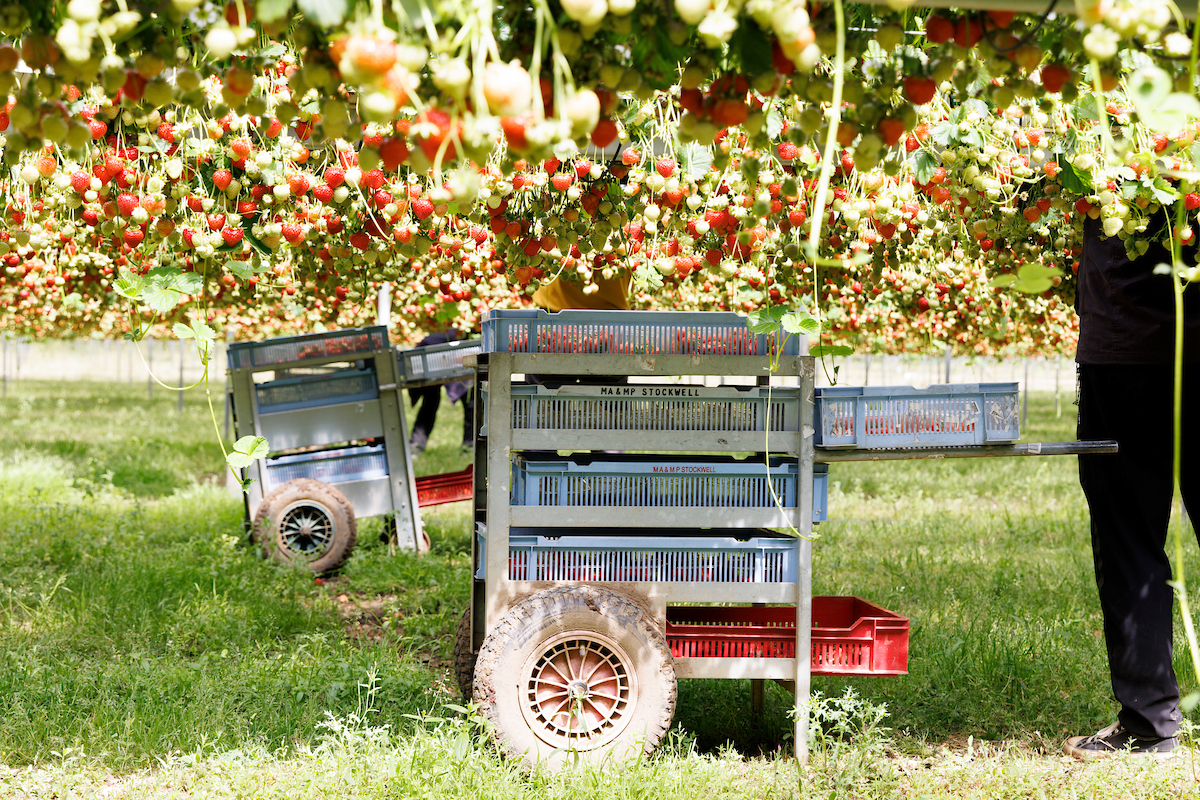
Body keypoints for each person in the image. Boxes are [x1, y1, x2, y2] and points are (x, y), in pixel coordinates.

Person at [1064, 215, 1200, 759]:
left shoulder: (1091, 131)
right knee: (1125, 534)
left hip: (1124, 343)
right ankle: (1147, 721)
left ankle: (1149, 723)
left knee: (1127, 537)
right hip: (1127, 343)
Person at [407, 330, 475, 456]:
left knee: (470, 404)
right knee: (430, 403)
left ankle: (469, 447)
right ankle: (416, 446)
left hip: (459, 357)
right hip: (432, 357)